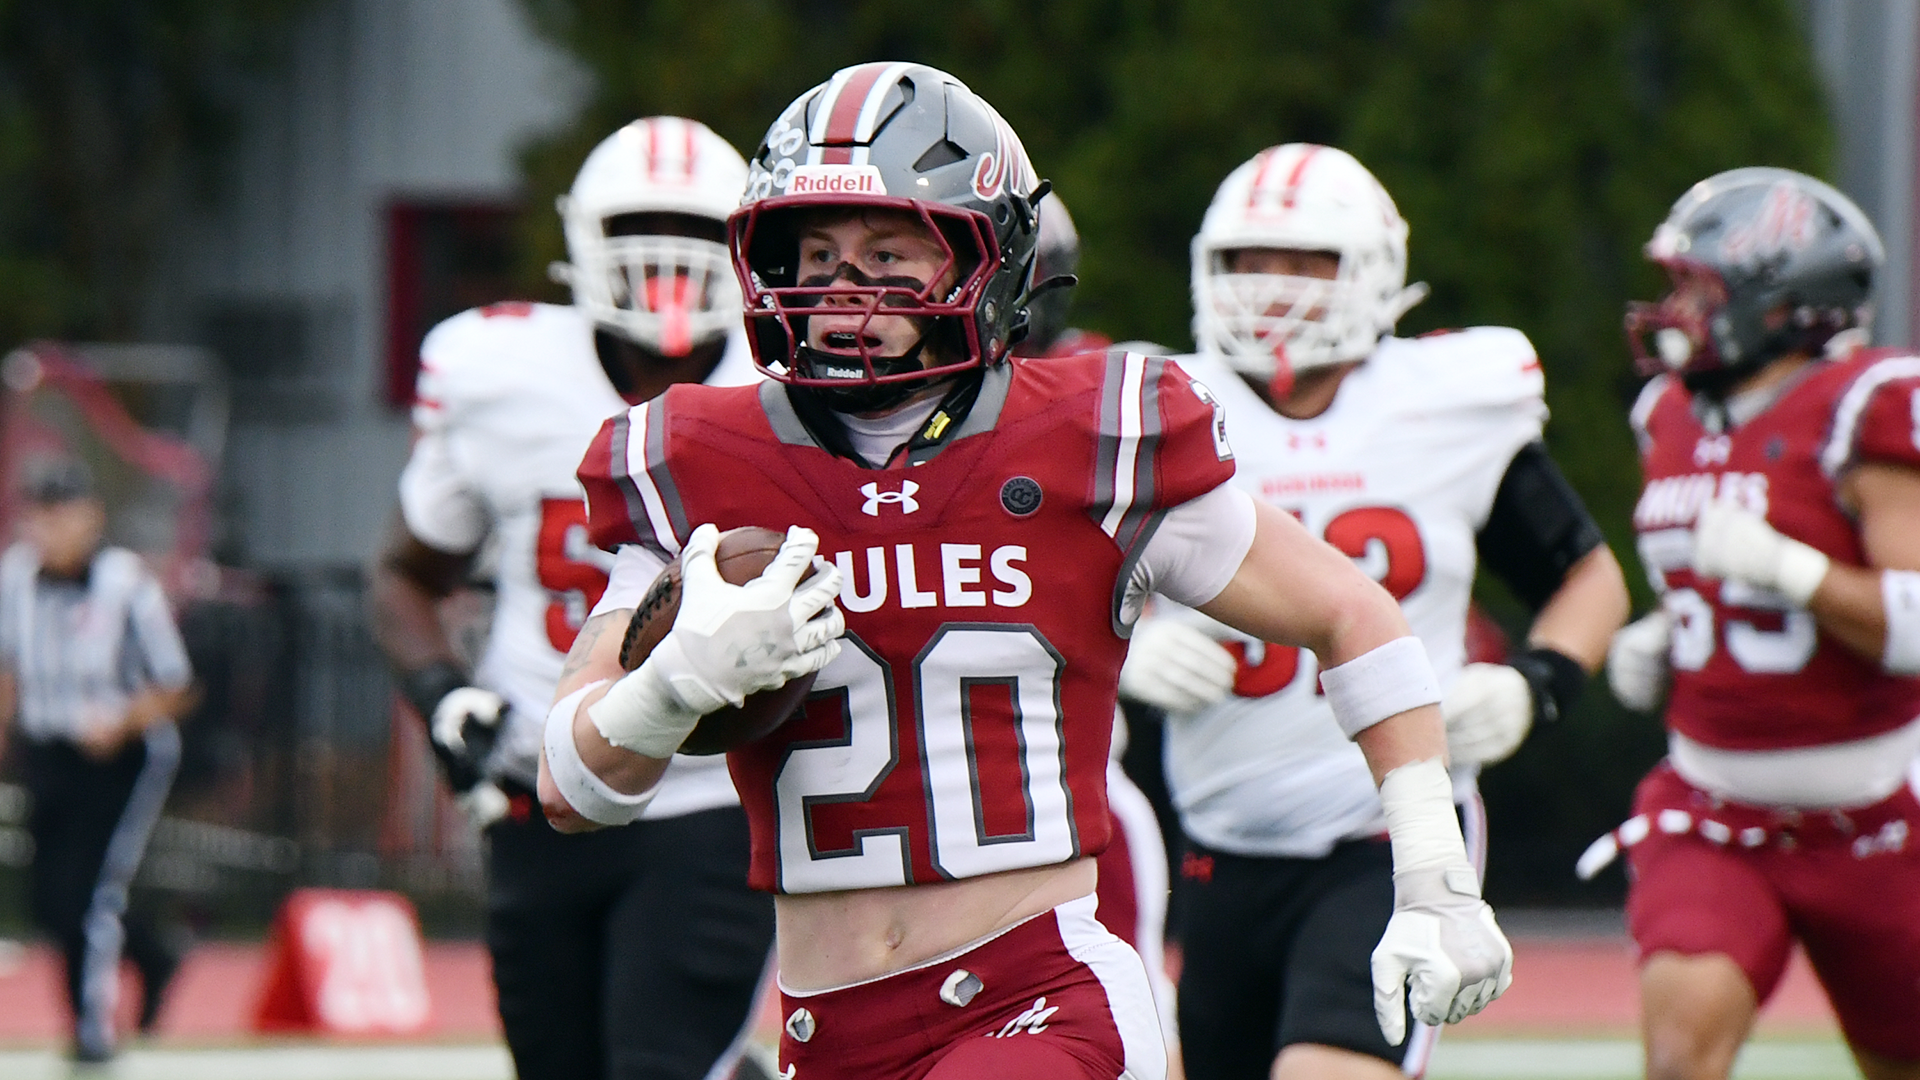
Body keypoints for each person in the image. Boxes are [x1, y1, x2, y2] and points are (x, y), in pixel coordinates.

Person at [539, 63, 1513, 1080]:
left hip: (1036, 1003)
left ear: (982, 255)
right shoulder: (699, 459)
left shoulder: (1092, 437)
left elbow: (1352, 613)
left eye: (887, 254)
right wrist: (670, 685)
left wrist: (1434, 875)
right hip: (822, 1031)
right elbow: (572, 788)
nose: (842, 289)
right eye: (817, 252)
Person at [1116, 143, 1628, 1080]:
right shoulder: (1165, 412)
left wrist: (1535, 685)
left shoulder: (1442, 405)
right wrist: (1128, 648)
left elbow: (1589, 578)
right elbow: (1048, 583)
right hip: (1219, 850)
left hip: (1382, 838)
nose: (1272, 287)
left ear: (1374, 271)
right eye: (1247, 261)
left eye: (1306, 260)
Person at [368, 117, 773, 1080]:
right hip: (537, 796)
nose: (665, 252)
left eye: (692, 225)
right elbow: (404, 572)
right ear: (582, 240)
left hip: (707, 796)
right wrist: (439, 693)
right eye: (637, 223)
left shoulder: (790, 380)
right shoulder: (497, 371)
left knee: (658, 1064)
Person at [1599, 167, 1920, 1080]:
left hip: (1880, 818)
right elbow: (1706, 594)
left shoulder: (1866, 404)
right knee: (1680, 1058)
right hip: (1713, 810)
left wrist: (1794, 571)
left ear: (1782, 297)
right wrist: (1667, 640)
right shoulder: (1664, 414)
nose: (1675, 308)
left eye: (1695, 286)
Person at [0, 458, 195, 1064]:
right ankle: (155, 953)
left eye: (63, 513)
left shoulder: (126, 585)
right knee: (49, 900)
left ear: (91, 516)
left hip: (122, 757)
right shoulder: (15, 579)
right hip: (51, 748)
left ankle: (91, 1032)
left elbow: (176, 684)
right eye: (41, 514)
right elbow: (8, 670)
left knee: (91, 893)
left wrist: (120, 724)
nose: (51, 528)